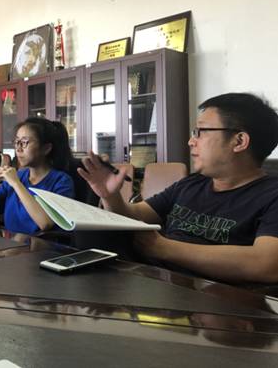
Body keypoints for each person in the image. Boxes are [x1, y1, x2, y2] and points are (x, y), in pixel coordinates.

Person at [78, 93, 278, 284]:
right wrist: (110, 196)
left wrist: (163, 248)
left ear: (239, 141)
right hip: (149, 279)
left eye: (200, 132)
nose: (191, 141)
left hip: (204, 296)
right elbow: (135, 215)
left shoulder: (271, 196)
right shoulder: (191, 184)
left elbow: (267, 264)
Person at [0, 117, 75, 234]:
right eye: (17, 142)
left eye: (25, 142)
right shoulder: (18, 176)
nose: (18, 148)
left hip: (42, 244)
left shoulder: (61, 181)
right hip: (10, 243)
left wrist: (17, 184)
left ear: (46, 148)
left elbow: (45, 223)